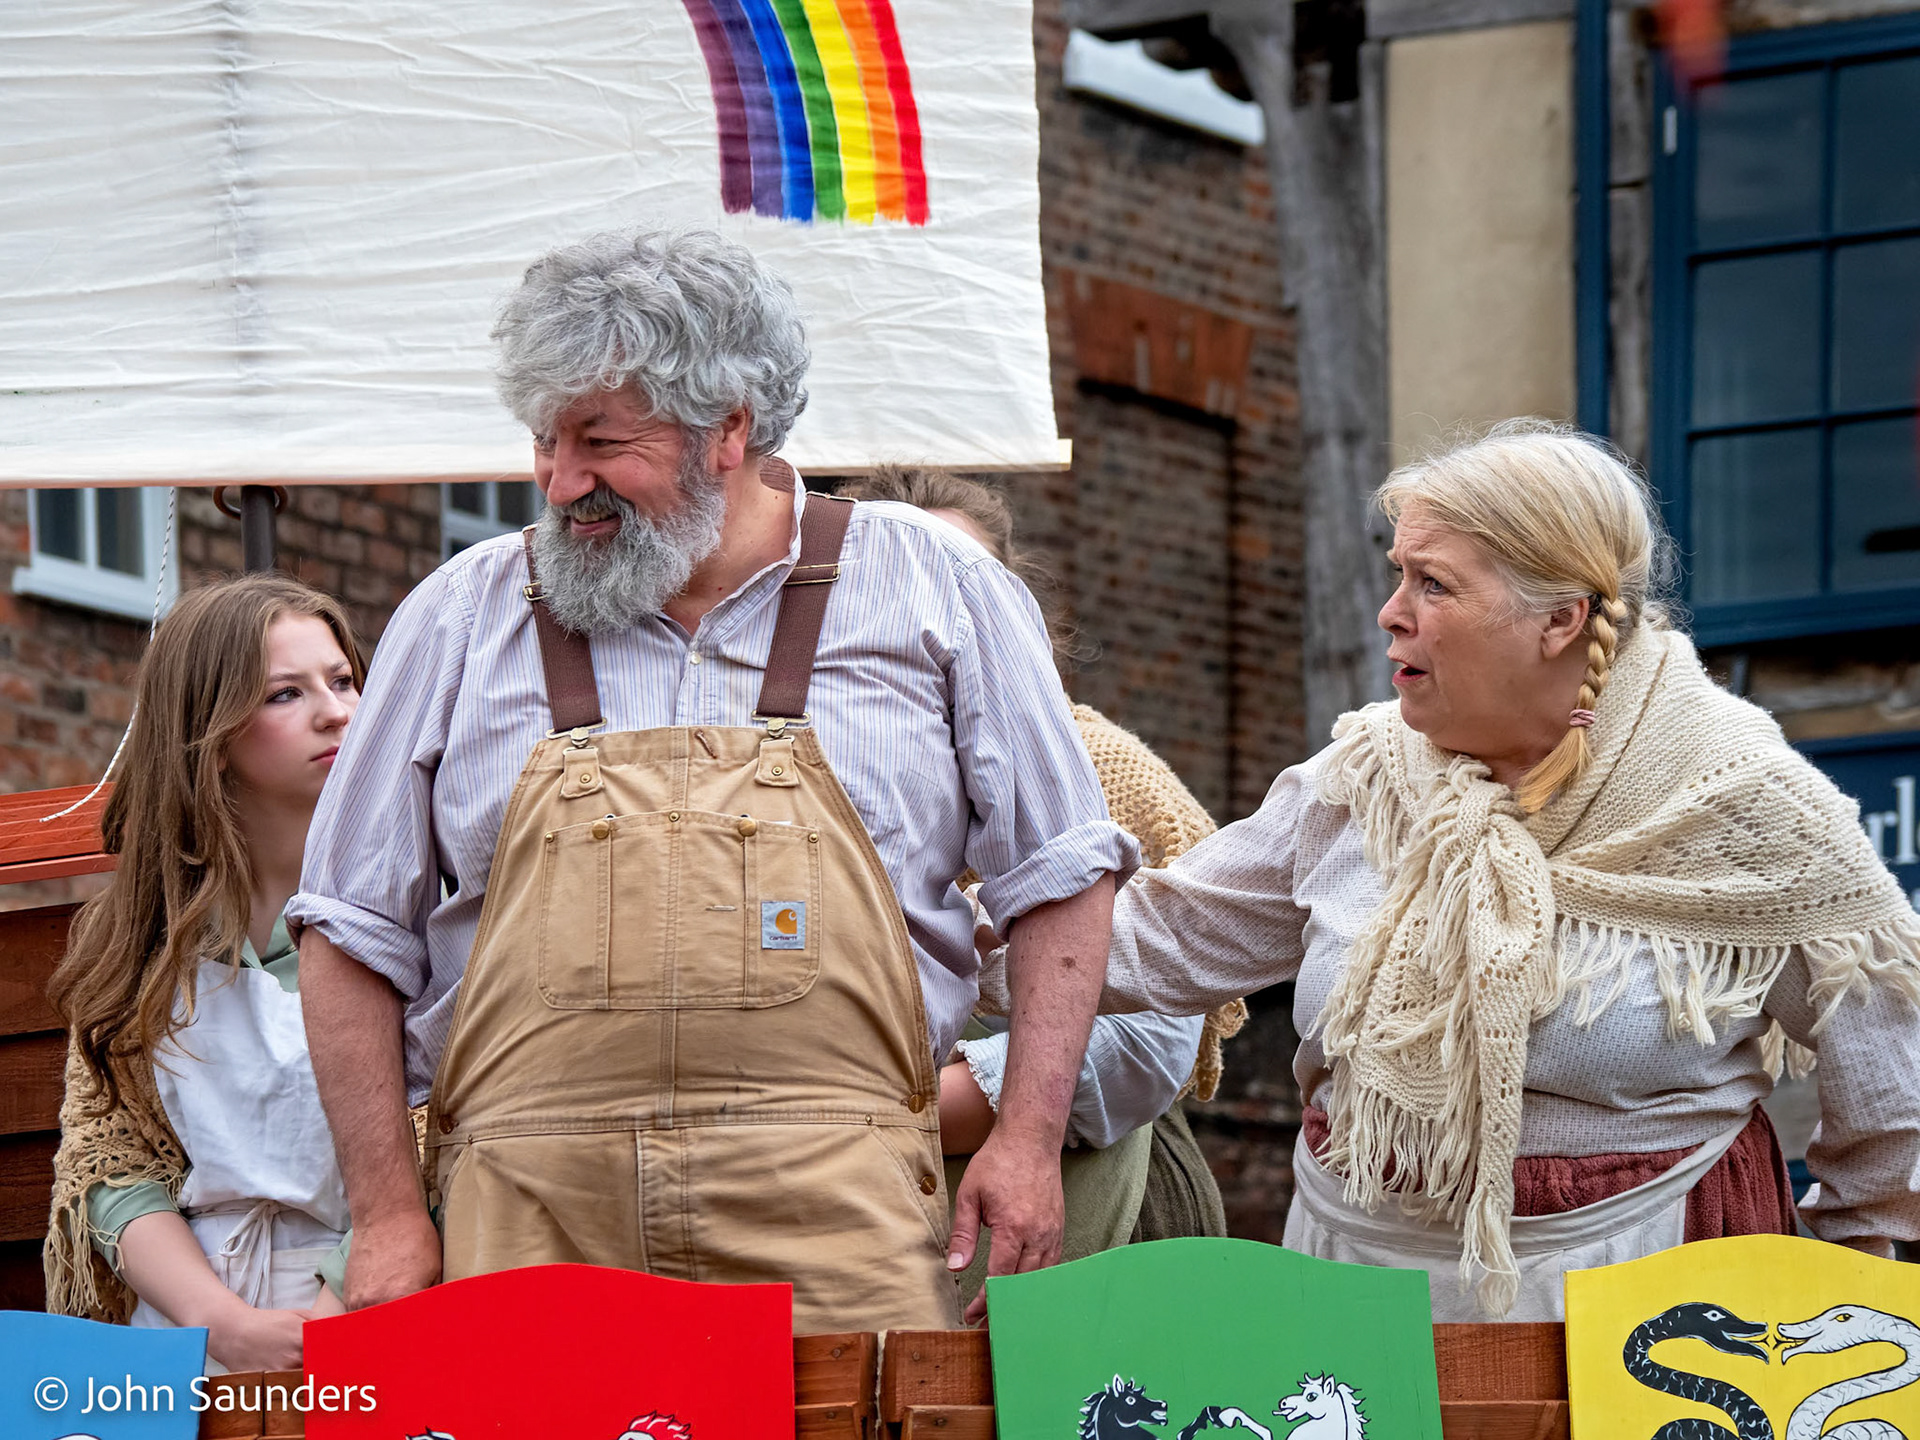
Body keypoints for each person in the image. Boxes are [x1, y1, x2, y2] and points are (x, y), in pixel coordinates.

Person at [289, 228, 1139, 1332]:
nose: (560, 481)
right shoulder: (459, 615)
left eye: (600, 440)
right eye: (546, 440)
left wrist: (1026, 1140)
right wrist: (390, 1212)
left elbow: (1062, 876)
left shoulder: (934, 584)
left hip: (839, 1216)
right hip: (529, 1218)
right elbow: (347, 931)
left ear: (728, 427)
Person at [999, 422, 1920, 1320]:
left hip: (1646, 1288)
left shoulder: (1744, 808)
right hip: (1360, 1281)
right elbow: (1150, 944)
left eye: (1433, 584)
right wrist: (909, 948)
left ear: (1560, 619)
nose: (1391, 611)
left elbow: (1894, 1103)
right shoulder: (1359, 782)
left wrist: (1834, 1297)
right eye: (1399, 574)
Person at [837, 465, 1246, 1287]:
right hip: (847, 1216)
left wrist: (934, 1108)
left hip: (1091, 1207)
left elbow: (1150, 1022)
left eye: (958, 577)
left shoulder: (1105, 771)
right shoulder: (802, 765)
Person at [45, 575, 364, 1370]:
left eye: (345, 679)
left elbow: (442, 1144)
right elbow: (108, 1161)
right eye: (286, 693)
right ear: (208, 735)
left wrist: (322, 1324)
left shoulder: (416, 917)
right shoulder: (133, 943)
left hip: (367, 1314)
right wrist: (219, 1324)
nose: (336, 710)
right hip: (182, 1335)